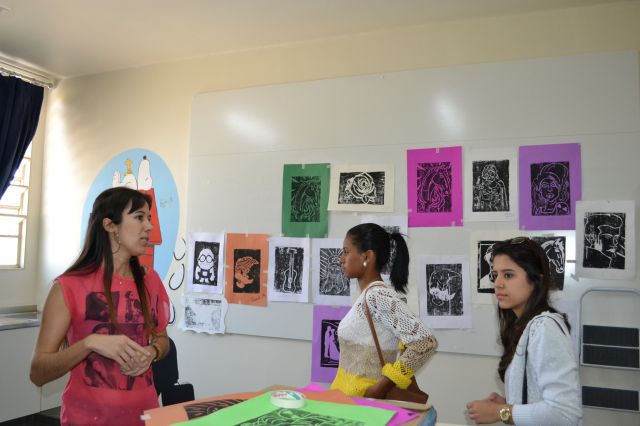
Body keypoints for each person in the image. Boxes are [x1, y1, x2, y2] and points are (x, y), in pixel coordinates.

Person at [30, 187, 170, 426]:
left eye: (149, 218)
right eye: (139, 217)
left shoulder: (151, 280)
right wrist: (89, 343)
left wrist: (152, 352)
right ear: (110, 225)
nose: (149, 226)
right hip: (86, 419)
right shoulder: (68, 286)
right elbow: (38, 372)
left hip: (145, 417)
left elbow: (162, 339)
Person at [466, 237, 581, 425]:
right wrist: (512, 403)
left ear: (536, 279)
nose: (497, 283)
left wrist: (501, 412)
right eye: (495, 275)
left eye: (508, 275)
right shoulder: (526, 326)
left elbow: (564, 414)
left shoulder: (544, 328)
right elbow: (540, 399)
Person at [330, 223, 438, 398]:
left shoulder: (377, 296)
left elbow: (425, 343)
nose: (341, 259)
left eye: (346, 252)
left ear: (367, 256)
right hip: (348, 399)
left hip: (364, 404)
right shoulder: (368, 295)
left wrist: (381, 388)